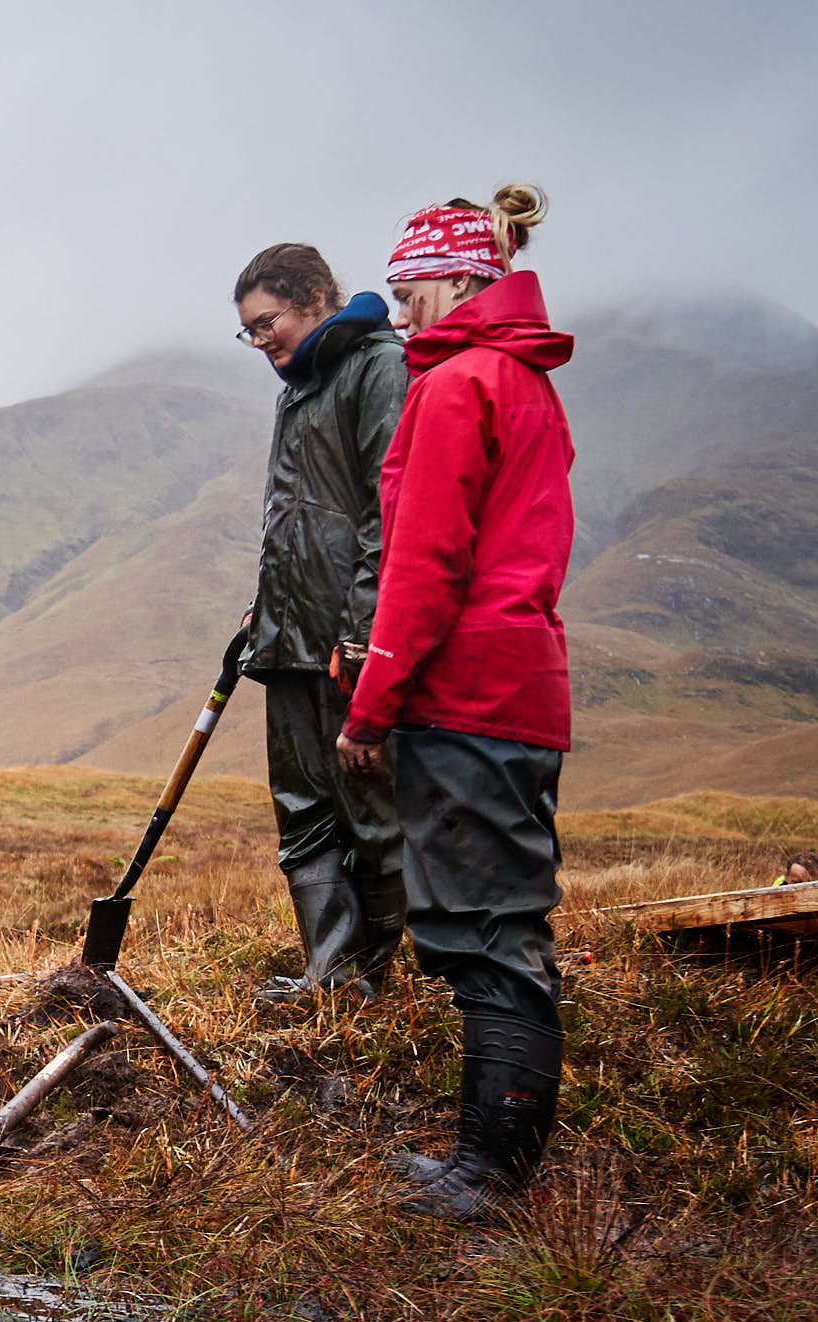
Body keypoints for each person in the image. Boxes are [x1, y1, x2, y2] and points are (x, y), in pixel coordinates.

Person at [338, 186, 576, 1223]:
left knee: (488, 936)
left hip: (466, 689)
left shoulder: (458, 384)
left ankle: (490, 1178)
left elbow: (425, 563)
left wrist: (370, 705)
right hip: (519, 682)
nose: (399, 311)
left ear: (465, 279)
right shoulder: (525, 383)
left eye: (410, 289)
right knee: (501, 926)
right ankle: (485, 1161)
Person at [234, 241, 409, 1004]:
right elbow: (300, 519)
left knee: (372, 811)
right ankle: (331, 977)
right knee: (303, 811)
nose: (259, 340)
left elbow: (385, 509)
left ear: (313, 297)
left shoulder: (378, 368)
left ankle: (396, 974)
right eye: (248, 330)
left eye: (266, 321)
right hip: (288, 638)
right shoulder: (296, 388)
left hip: (347, 639)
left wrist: (362, 628)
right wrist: (266, 604)